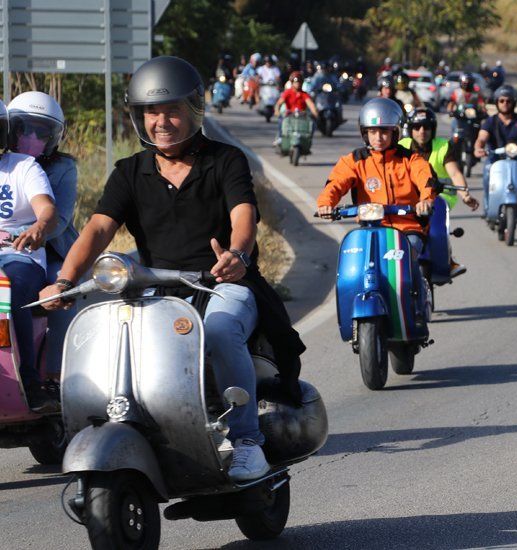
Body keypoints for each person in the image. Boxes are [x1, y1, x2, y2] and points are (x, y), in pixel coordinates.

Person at [37, 56, 306, 481]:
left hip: (223, 284)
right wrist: (64, 280)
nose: (161, 121)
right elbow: (97, 230)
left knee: (218, 330)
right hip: (158, 289)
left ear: (194, 110)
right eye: (151, 112)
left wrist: (236, 255)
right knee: (118, 331)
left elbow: (243, 217)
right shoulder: (130, 171)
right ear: (139, 117)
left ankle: (247, 441)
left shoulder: (225, 161)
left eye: (171, 110)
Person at [7, 91, 77, 384]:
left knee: (62, 289)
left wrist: (28, 233)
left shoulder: (62, 168)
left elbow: (57, 220)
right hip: (11, 249)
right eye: (24, 128)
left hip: (52, 249)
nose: (32, 136)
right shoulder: (7, 165)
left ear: (53, 138)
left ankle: (54, 373)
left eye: (42, 131)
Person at [316, 98, 436, 259]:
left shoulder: (410, 159)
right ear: (365, 133)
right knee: (355, 261)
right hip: (369, 228)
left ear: (395, 133)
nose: (378, 138)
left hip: (408, 227)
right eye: (372, 132)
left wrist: (426, 200)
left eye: (384, 132)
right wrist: (326, 204)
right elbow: (336, 183)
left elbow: (426, 178)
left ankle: (418, 284)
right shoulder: (355, 160)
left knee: (406, 260)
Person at [0, 99, 58, 412]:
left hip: (19, 256)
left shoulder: (22, 166)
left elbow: (47, 209)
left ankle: (30, 380)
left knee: (9, 286)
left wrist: (39, 227)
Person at [398, 107, 479, 277]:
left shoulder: (443, 146)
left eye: (426, 127)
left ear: (432, 129)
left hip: (440, 196)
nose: (422, 132)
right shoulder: (401, 146)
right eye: (417, 127)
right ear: (410, 129)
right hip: (408, 196)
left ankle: (448, 260)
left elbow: (455, 173)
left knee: (437, 229)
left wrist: (465, 195)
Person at [473, 84, 517, 211]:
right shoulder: (490, 121)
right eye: (502, 100)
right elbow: (481, 138)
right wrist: (478, 148)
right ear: (497, 102)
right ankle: (488, 207)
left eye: (508, 101)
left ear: (513, 103)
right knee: (488, 172)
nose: (505, 103)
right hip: (495, 158)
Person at [273, 72, 319, 147]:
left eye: (299, 82)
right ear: (292, 83)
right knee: (281, 120)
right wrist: (277, 110)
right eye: (296, 82)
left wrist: (315, 113)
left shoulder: (304, 94)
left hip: (301, 116)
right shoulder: (288, 92)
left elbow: (311, 104)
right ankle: (281, 137)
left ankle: (308, 140)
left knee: (312, 123)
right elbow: (279, 103)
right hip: (289, 115)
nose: (297, 84)